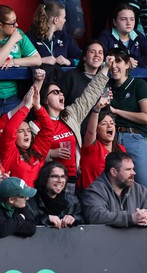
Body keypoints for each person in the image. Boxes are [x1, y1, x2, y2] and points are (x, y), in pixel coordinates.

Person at [39, 56, 112, 191]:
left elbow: (89, 95)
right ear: (45, 100)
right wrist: (51, 153)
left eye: (61, 92)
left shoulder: (70, 115)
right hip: (49, 181)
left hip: (73, 178)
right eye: (55, 93)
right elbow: (29, 155)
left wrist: (106, 67)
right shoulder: (37, 125)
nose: (61, 94)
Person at [0, 4, 42, 114]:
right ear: (0, 25)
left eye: (16, 21)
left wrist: (14, 61)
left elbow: (37, 59)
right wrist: (12, 40)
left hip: (12, 97)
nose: (17, 25)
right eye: (12, 23)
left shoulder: (18, 34)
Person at [107, 47, 147, 195]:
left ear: (128, 64)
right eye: (111, 61)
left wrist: (116, 111)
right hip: (112, 138)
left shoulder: (138, 84)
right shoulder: (107, 87)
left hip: (134, 137)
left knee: (143, 185)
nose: (114, 66)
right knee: (113, 183)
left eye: (119, 61)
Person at [82, 151, 147, 227]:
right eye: (128, 169)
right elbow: (96, 216)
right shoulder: (95, 190)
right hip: (105, 240)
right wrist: (131, 218)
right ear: (114, 172)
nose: (134, 173)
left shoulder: (139, 190)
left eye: (133, 169)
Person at [0, 84, 54, 187]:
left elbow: (48, 129)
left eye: (28, 130)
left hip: (36, 197)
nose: (26, 133)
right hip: (16, 198)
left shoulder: (37, 150)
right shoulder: (8, 153)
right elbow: (9, 130)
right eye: (21, 131)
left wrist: (38, 107)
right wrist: (26, 107)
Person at [97, 2, 147, 68]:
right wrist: (126, 61)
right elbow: (99, 60)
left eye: (132, 19)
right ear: (114, 22)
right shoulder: (106, 36)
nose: (129, 23)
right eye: (124, 19)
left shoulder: (138, 36)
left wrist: (133, 61)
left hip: (135, 77)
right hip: (111, 77)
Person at [78, 110, 126, 191]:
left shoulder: (121, 149)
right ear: (96, 129)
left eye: (111, 123)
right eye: (104, 124)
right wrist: (96, 110)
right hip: (92, 196)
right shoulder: (91, 147)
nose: (109, 126)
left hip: (114, 197)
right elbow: (90, 132)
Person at [29, 161, 83, 228]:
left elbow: (83, 219)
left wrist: (74, 218)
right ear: (44, 179)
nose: (60, 180)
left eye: (63, 177)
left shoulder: (72, 201)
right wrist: (46, 219)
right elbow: (25, 222)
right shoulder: (31, 201)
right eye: (55, 176)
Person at [27, 2, 81, 67]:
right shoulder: (30, 37)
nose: (65, 20)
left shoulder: (65, 37)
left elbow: (83, 59)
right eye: (64, 17)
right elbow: (20, 60)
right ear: (55, 20)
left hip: (62, 76)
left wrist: (69, 62)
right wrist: (41, 60)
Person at [57, 40, 105, 107]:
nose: (97, 55)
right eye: (92, 52)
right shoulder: (70, 76)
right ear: (84, 57)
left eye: (100, 53)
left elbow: (105, 110)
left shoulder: (103, 81)